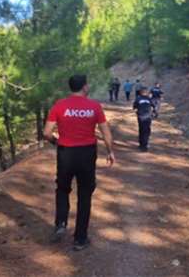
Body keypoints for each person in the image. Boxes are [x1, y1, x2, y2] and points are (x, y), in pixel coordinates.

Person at [44, 75, 115, 251]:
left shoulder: (59, 105)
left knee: (62, 188)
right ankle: (80, 239)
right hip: (87, 154)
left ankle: (61, 223)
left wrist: (57, 142)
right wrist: (110, 151)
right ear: (84, 87)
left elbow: (46, 133)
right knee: (85, 194)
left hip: (65, 153)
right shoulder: (94, 106)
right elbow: (106, 132)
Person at [133, 86, 156, 152]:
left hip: (141, 116)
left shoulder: (138, 99)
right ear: (146, 92)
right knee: (147, 130)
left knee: (141, 130)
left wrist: (137, 112)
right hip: (148, 117)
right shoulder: (149, 99)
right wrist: (154, 112)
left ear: (140, 92)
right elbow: (154, 106)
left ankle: (141, 144)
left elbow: (134, 107)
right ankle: (145, 145)